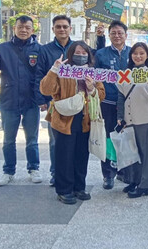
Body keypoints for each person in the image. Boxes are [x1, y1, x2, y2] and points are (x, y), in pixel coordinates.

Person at [35, 15, 105, 187]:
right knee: (64, 156)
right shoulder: (63, 71)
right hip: (65, 119)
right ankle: (64, 190)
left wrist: (91, 88)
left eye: (83, 53)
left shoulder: (92, 72)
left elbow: (101, 94)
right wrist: (54, 69)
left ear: (88, 55)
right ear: (71, 55)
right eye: (77, 53)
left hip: (85, 119)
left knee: (81, 156)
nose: (80, 56)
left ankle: (79, 186)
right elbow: (45, 89)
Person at [0, 15, 43, 186]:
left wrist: (44, 99)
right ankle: (8, 171)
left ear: (32, 29)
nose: (23, 30)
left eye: (27, 27)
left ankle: (33, 168)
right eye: (20, 27)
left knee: (32, 139)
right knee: (8, 139)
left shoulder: (39, 49)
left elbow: (44, 76)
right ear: (14, 28)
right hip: (9, 100)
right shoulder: (3, 48)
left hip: (31, 101)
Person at [117, 42, 148, 198]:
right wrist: (120, 117)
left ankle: (146, 185)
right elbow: (121, 96)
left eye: (142, 53)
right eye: (135, 53)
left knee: (147, 153)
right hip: (129, 119)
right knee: (132, 152)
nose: (138, 56)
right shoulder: (125, 74)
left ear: (147, 55)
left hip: (146, 118)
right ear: (131, 56)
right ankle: (135, 180)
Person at [93, 20, 131, 190]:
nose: (117, 36)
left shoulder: (134, 53)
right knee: (108, 139)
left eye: (120, 33)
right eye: (113, 33)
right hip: (107, 102)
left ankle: (124, 171)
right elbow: (94, 77)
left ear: (126, 35)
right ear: (109, 35)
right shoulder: (101, 54)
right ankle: (108, 174)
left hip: (130, 104)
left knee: (126, 138)